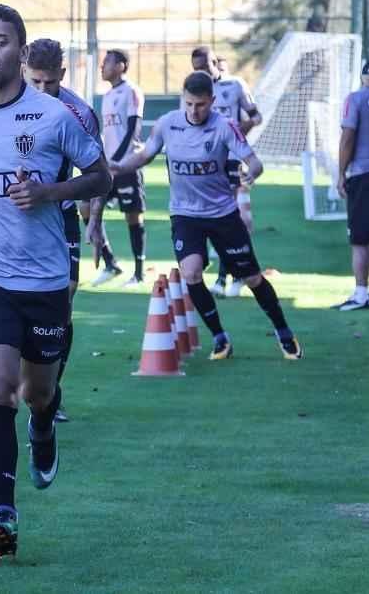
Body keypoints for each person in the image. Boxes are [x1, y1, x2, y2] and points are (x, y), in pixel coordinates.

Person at [0, 4, 111, 558]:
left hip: (45, 280)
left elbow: (101, 174)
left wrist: (51, 194)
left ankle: (44, 428)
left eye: (1, 41)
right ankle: (2, 510)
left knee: (39, 393)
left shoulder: (55, 117)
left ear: (21, 50)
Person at [111, 71, 303, 361]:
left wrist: (250, 176)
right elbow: (146, 154)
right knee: (191, 272)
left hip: (223, 214)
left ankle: (283, 331)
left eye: (200, 104)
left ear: (212, 101)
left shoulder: (225, 127)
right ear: (182, 99)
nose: (194, 110)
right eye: (189, 104)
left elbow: (254, 161)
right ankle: (219, 337)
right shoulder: (167, 124)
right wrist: (116, 167)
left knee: (251, 277)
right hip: (185, 215)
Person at [23, 37, 106, 423]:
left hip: (61, 216)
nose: (41, 91)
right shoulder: (6, 102)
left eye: (48, 83)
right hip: (12, 218)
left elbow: (97, 174)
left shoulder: (80, 113)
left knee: (63, 302)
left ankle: (50, 391)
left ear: (62, 74)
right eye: (34, 82)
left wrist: (96, 221)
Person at [191, 45, 263, 298]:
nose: (199, 73)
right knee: (207, 215)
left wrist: (234, 136)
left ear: (214, 62)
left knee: (227, 215)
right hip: (203, 161)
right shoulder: (193, 89)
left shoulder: (234, 86)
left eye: (203, 67)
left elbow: (256, 116)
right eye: (195, 69)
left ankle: (228, 277)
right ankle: (226, 274)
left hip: (230, 159)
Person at [334, 60, 369, 310]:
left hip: (363, 171)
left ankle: (360, 294)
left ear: (362, 76)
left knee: (359, 238)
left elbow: (348, 137)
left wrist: (341, 172)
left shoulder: (355, 99)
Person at [91, 48, 146, 287]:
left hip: (126, 167)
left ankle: (139, 273)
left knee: (132, 217)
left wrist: (120, 162)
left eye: (107, 62)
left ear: (122, 65)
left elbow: (133, 129)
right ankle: (110, 262)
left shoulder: (131, 91)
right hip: (109, 167)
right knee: (88, 207)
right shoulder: (106, 96)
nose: (102, 67)